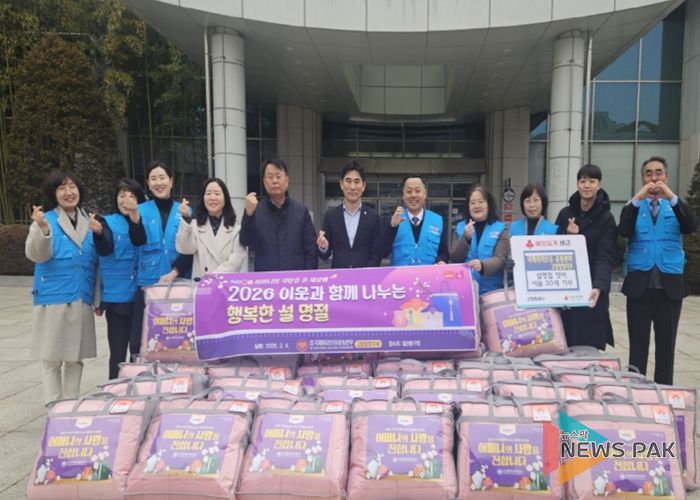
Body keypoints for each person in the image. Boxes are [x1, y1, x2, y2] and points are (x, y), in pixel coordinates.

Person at [618, 156, 698, 384]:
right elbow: (623, 231)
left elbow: (691, 226)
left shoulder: (676, 206)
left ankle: (664, 392)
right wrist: (637, 198)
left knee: (666, 346)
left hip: (669, 286)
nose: (654, 178)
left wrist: (670, 196)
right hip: (640, 287)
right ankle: (636, 390)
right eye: (649, 173)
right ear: (642, 178)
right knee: (637, 346)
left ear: (666, 177)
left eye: (659, 173)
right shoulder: (634, 207)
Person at [25, 170, 99, 404]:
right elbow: (36, 254)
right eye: (62, 188)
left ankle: (70, 404)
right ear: (53, 193)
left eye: (72, 187)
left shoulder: (89, 221)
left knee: (75, 357)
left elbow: (96, 264)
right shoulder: (45, 220)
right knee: (52, 358)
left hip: (81, 295)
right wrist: (43, 229)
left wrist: (98, 298)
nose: (68, 192)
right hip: (53, 297)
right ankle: (54, 405)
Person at [129, 161, 192, 357]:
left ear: (171, 181)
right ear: (148, 184)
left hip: (178, 284)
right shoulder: (139, 209)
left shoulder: (185, 210)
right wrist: (134, 218)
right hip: (149, 284)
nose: (158, 183)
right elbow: (137, 240)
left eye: (162, 177)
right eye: (153, 179)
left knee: (175, 339)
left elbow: (190, 249)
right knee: (140, 340)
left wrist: (187, 219)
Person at [554, 164, 617, 350]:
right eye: (583, 181)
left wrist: (599, 286)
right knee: (563, 344)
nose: (587, 185)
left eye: (592, 181)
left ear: (599, 184)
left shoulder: (607, 218)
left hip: (591, 290)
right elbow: (554, 249)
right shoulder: (565, 214)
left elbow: (605, 256)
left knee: (589, 346)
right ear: (577, 184)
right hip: (566, 289)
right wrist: (569, 236)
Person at [88, 179, 145, 379]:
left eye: (131, 195)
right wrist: (98, 233)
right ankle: (114, 390)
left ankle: (139, 388)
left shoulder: (145, 220)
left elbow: (141, 240)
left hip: (143, 296)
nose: (126, 200)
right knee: (118, 353)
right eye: (122, 195)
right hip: (117, 299)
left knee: (140, 351)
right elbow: (105, 247)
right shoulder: (107, 222)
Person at [240, 158, 317, 271]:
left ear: (287, 180)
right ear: (264, 181)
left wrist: (307, 277)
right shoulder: (256, 210)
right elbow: (246, 241)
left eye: (278, 176)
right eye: (270, 177)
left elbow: (311, 249)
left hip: (295, 279)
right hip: (266, 279)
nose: (274, 181)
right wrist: (248, 215)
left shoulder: (301, 211)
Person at [176, 177, 247, 278]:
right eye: (208, 193)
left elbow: (236, 260)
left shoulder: (236, 228)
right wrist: (186, 219)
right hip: (201, 284)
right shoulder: (195, 225)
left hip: (224, 283)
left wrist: (212, 278)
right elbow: (185, 249)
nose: (212, 197)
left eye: (217, 193)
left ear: (225, 199)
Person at [316, 161, 382, 268]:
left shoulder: (373, 217)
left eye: (357, 182)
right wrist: (323, 247)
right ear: (341, 184)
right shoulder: (331, 216)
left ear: (363, 186)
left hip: (365, 276)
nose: (352, 187)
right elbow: (324, 255)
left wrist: (367, 273)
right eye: (348, 181)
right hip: (340, 276)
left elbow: (377, 253)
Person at [449, 185, 508, 294]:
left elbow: (500, 259)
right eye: (472, 203)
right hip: (465, 290)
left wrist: (482, 265)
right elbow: (454, 258)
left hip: (492, 292)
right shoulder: (460, 227)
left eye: (481, 201)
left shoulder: (501, 228)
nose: (477, 206)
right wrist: (465, 237)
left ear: (488, 204)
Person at [382, 175, 449, 266]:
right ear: (403, 195)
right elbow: (383, 252)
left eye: (417, 191)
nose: (413, 195)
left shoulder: (438, 221)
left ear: (425, 194)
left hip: (429, 274)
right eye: (409, 191)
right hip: (400, 274)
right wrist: (392, 227)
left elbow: (443, 253)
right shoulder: (393, 220)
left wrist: (441, 261)